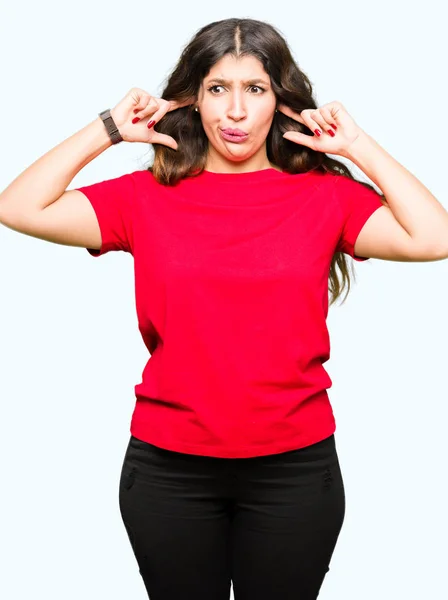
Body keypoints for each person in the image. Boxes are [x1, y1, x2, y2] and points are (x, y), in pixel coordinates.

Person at [1, 16, 445, 600]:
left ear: (280, 102)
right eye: (218, 89)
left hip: (294, 469)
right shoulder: (145, 197)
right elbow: (19, 207)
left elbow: (434, 237)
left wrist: (356, 146)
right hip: (169, 469)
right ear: (192, 98)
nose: (235, 112)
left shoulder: (326, 196)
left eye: (254, 90)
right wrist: (109, 128)